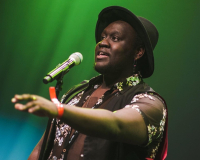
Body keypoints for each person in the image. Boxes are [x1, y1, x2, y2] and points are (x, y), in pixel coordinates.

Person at [11, 6, 168, 160]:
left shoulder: (150, 103)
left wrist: (59, 110)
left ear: (138, 52)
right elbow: (41, 149)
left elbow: (116, 125)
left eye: (115, 38)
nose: (102, 43)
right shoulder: (77, 92)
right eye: (103, 37)